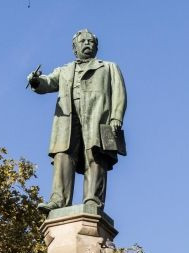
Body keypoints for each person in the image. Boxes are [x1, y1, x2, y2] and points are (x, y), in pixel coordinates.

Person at [28, 29, 127, 212]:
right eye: (83, 41)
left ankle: (92, 201)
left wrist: (116, 117)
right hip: (68, 120)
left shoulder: (108, 67)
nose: (87, 44)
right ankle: (58, 201)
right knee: (63, 155)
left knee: (95, 156)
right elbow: (47, 82)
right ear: (75, 48)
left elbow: (119, 93)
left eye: (91, 42)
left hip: (98, 117)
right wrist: (35, 81)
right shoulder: (65, 70)